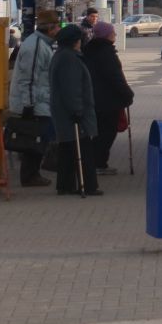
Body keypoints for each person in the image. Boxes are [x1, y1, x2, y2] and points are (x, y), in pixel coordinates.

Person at [7, 10, 62, 187]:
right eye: (57, 27)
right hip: (35, 101)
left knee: (38, 138)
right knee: (37, 138)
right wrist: (28, 105)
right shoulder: (36, 46)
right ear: (50, 29)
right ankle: (30, 175)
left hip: (39, 99)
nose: (59, 31)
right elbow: (29, 78)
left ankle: (32, 173)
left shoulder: (40, 43)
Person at [49, 24, 102, 196]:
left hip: (64, 112)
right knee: (83, 149)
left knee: (67, 149)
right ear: (75, 41)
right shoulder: (69, 59)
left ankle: (65, 185)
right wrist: (77, 110)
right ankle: (87, 185)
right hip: (72, 114)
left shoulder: (62, 56)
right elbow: (71, 88)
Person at [83, 20, 134, 175]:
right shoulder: (106, 53)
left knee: (99, 132)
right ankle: (98, 163)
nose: (115, 35)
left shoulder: (88, 50)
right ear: (106, 35)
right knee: (107, 133)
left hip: (94, 98)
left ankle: (95, 163)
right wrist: (127, 94)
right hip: (108, 100)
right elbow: (115, 77)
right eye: (113, 32)